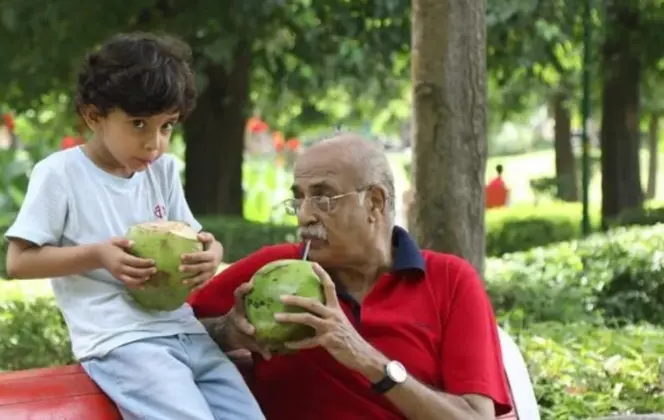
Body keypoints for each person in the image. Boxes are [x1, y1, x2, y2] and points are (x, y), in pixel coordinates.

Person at [4, 32, 264, 420]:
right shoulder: (60, 174)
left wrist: (212, 254)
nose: (154, 143)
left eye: (167, 127)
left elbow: (194, 236)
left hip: (185, 331)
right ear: (94, 116)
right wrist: (98, 255)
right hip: (122, 342)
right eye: (139, 124)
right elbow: (18, 261)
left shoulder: (163, 170)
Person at [189, 134, 512, 420]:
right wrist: (226, 331)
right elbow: (162, 332)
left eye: (323, 198)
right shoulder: (272, 270)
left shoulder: (450, 280)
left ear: (374, 202)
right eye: (299, 198)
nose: (304, 214)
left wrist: (363, 357)